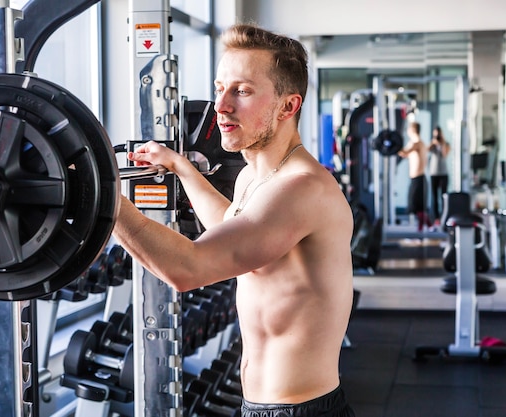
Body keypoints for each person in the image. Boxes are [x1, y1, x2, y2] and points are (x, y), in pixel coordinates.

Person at [112, 24, 356, 417]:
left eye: (241, 91)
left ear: (287, 107)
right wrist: (180, 168)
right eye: (219, 88)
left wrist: (105, 199)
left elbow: (189, 268)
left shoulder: (302, 189)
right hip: (259, 405)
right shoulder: (254, 177)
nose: (221, 106)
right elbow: (230, 224)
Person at [398, 121, 432, 232]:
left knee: (415, 205)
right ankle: (426, 228)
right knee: (417, 206)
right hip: (417, 179)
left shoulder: (416, 143)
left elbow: (403, 151)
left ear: (412, 130)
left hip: (418, 179)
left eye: (408, 129)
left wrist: (394, 145)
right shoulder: (417, 143)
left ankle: (424, 229)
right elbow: (404, 154)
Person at [428, 126, 450, 227]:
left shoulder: (446, 144)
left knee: (444, 196)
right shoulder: (432, 144)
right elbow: (426, 150)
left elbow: (445, 154)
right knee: (434, 196)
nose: (436, 136)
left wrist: (442, 143)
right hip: (434, 173)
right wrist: (433, 143)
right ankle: (436, 218)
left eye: (438, 134)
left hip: (443, 173)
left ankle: (444, 216)